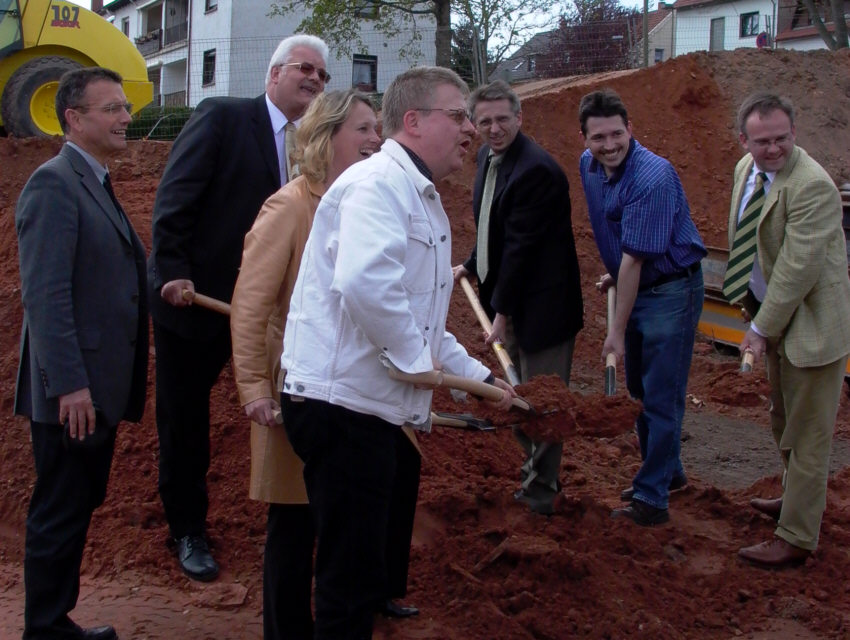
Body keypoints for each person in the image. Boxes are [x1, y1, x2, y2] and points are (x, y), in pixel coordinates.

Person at [279, 66, 515, 639]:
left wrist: (480, 376)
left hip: (368, 406)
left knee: (361, 567)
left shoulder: (415, 193)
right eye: (457, 116)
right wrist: (419, 365)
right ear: (413, 121)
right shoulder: (377, 186)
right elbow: (365, 284)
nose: (470, 130)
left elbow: (420, 321)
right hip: (343, 408)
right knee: (350, 574)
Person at [230, 89, 416, 640]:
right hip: (296, 388)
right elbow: (250, 303)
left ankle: (365, 601)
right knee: (294, 518)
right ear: (325, 135)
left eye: (377, 130)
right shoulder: (290, 205)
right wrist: (254, 386)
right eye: (362, 129)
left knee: (355, 510)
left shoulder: (371, 199)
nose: (375, 140)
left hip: (358, 389)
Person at [147, 35, 328, 581]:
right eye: (306, 69)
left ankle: (294, 519)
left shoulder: (312, 145)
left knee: (284, 408)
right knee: (185, 422)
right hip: (197, 305)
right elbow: (174, 197)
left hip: (271, 315)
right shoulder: (222, 118)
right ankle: (187, 530)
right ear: (273, 74)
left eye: (323, 74)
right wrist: (173, 268)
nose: (316, 80)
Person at [15, 67, 148, 640]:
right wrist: (69, 384)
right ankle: (45, 628)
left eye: (124, 107)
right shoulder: (54, 183)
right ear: (74, 118)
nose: (125, 118)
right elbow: (45, 296)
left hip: (94, 386)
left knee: (74, 505)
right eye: (112, 108)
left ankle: (55, 620)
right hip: (72, 391)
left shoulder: (93, 181)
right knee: (60, 509)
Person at [727, 93, 850, 569]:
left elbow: (797, 270)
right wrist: (747, 303)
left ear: (794, 133)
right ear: (744, 140)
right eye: (762, 141)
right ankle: (795, 495)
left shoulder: (813, 187)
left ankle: (797, 535)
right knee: (783, 419)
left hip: (812, 326)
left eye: (782, 138)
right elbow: (743, 236)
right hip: (772, 316)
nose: (773, 148)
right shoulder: (746, 169)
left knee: (809, 432)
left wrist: (759, 329)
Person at [452, 80, 583, 516]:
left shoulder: (536, 171)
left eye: (502, 119)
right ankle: (538, 475)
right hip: (513, 300)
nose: (493, 129)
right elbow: (494, 223)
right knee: (522, 396)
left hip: (543, 307)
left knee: (541, 400)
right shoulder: (488, 158)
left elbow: (522, 248)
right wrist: (471, 263)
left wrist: (501, 314)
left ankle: (542, 492)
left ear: (519, 118)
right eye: (484, 121)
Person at [578, 88, 706, 527]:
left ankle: (652, 498)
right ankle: (667, 472)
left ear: (631, 129)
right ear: (585, 140)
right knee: (639, 390)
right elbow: (620, 240)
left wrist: (615, 330)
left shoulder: (653, 175)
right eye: (598, 138)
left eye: (617, 134)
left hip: (671, 290)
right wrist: (617, 273)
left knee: (661, 396)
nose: (609, 145)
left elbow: (635, 256)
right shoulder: (587, 167)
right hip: (637, 280)